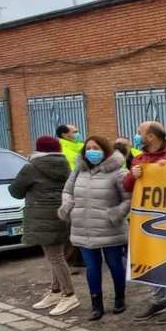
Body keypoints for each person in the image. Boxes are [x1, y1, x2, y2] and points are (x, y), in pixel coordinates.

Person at [58, 136, 130, 321]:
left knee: (115, 264)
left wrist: (115, 214)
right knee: (92, 268)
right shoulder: (78, 170)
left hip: (109, 228)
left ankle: (120, 299)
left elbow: (129, 199)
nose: (91, 151)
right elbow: (67, 190)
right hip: (83, 228)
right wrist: (68, 204)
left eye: (96, 148)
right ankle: (96, 305)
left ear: (105, 150)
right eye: (88, 148)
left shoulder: (118, 172)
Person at [124, 120, 166, 323]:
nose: (137, 136)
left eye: (139, 132)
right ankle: (158, 300)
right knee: (150, 258)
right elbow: (127, 186)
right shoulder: (139, 158)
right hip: (144, 217)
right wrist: (132, 176)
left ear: (151, 136)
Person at [9, 136, 76, 315]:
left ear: (38, 149)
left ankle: (69, 295)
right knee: (58, 255)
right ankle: (56, 291)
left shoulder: (31, 167)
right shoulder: (65, 165)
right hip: (63, 215)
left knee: (55, 258)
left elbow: (15, 191)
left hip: (42, 217)